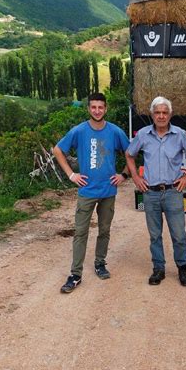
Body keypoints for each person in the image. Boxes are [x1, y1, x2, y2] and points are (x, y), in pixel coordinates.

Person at [53, 93, 130, 294]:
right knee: (80, 232)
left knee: (104, 230)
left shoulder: (115, 132)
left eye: (101, 107)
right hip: (86, 191)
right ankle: (75, 274)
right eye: (93, 107)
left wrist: (123, 175)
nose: (97, 111)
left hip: (108, 191)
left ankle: (100, 263)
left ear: (106, 108)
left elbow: (131, 153)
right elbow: (57, 150)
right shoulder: (79, 131)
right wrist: (71, 175)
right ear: (89, 108)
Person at [125, 96, 186, 286]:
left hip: (173, 192)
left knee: (179, 234)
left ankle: (183, 268)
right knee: (155, 235)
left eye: (164, 112)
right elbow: (129, 154)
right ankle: (158, 269)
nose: (161, 116)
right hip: (150, 193)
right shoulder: (143, 135)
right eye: (157, 112)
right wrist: (135, 177)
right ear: (152, 114)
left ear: (170, 114)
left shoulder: (180, 134)